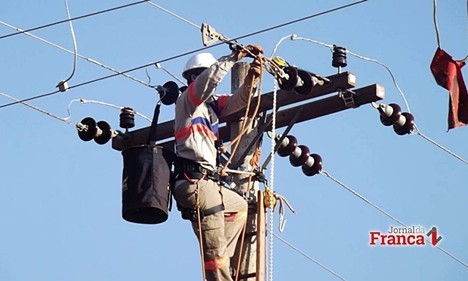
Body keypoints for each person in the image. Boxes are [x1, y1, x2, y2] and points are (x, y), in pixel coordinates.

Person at [172, 45, 263, 281]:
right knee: (214, 252)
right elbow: (209, 80)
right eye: (201, 76)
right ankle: (219, 273)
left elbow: (238, 102)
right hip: (196, 182)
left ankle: (226, 267)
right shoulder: (187, 102)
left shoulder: (211, 107)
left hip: (210, 184)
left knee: (239, 207)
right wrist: (233, 58)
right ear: (194, 78)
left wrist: (251, 79)